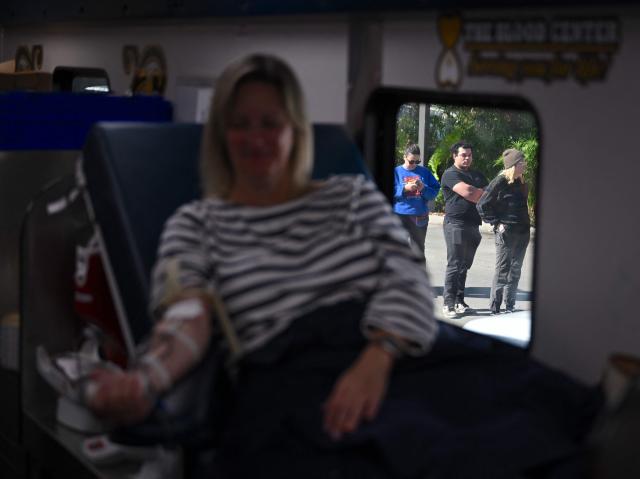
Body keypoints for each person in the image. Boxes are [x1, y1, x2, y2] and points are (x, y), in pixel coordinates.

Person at [86, 53, 438, 474]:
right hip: (299, 388)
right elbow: (187, 314)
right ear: (221, 134)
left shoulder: (351, 196)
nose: (256, 139)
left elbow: (409, 275)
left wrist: (377, 358)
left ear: (295, 130)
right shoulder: (198, 223)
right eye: (240, 124)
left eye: (270, 123)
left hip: (398, 353)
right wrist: (145, 382)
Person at [477, 148, 530, 314]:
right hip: (506, 233)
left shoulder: (520, 181)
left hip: (523, 232)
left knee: (515, 271)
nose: (525, 165)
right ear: (514, 165)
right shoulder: (500, 181)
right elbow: (481, 204)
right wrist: (496, 223)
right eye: (522, 162)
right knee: (502, 271)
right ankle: (495, 308)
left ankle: (510, 305)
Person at [439, 141, 488, 320]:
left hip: (473, 225)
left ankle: (459, 301)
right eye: (463, 155)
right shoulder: (450, 174)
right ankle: (448, 303)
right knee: (454, 264)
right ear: (454, 156)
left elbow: (489, 194)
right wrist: (479, 192)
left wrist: (480, 192)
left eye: (469, 155)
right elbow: (471, 193)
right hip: (455, 225)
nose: (467, 158)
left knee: (464, 265)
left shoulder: (477, 174)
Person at [393, 144, 440, 263]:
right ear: (404, 157)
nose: (414, 164)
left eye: (417, 161)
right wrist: (404, 189)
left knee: (418, 250)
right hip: (399, 215)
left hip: (419, 216)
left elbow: (434, 192)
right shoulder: (396, 172)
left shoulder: (424, 172)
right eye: (411, 161)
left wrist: (423, 188)